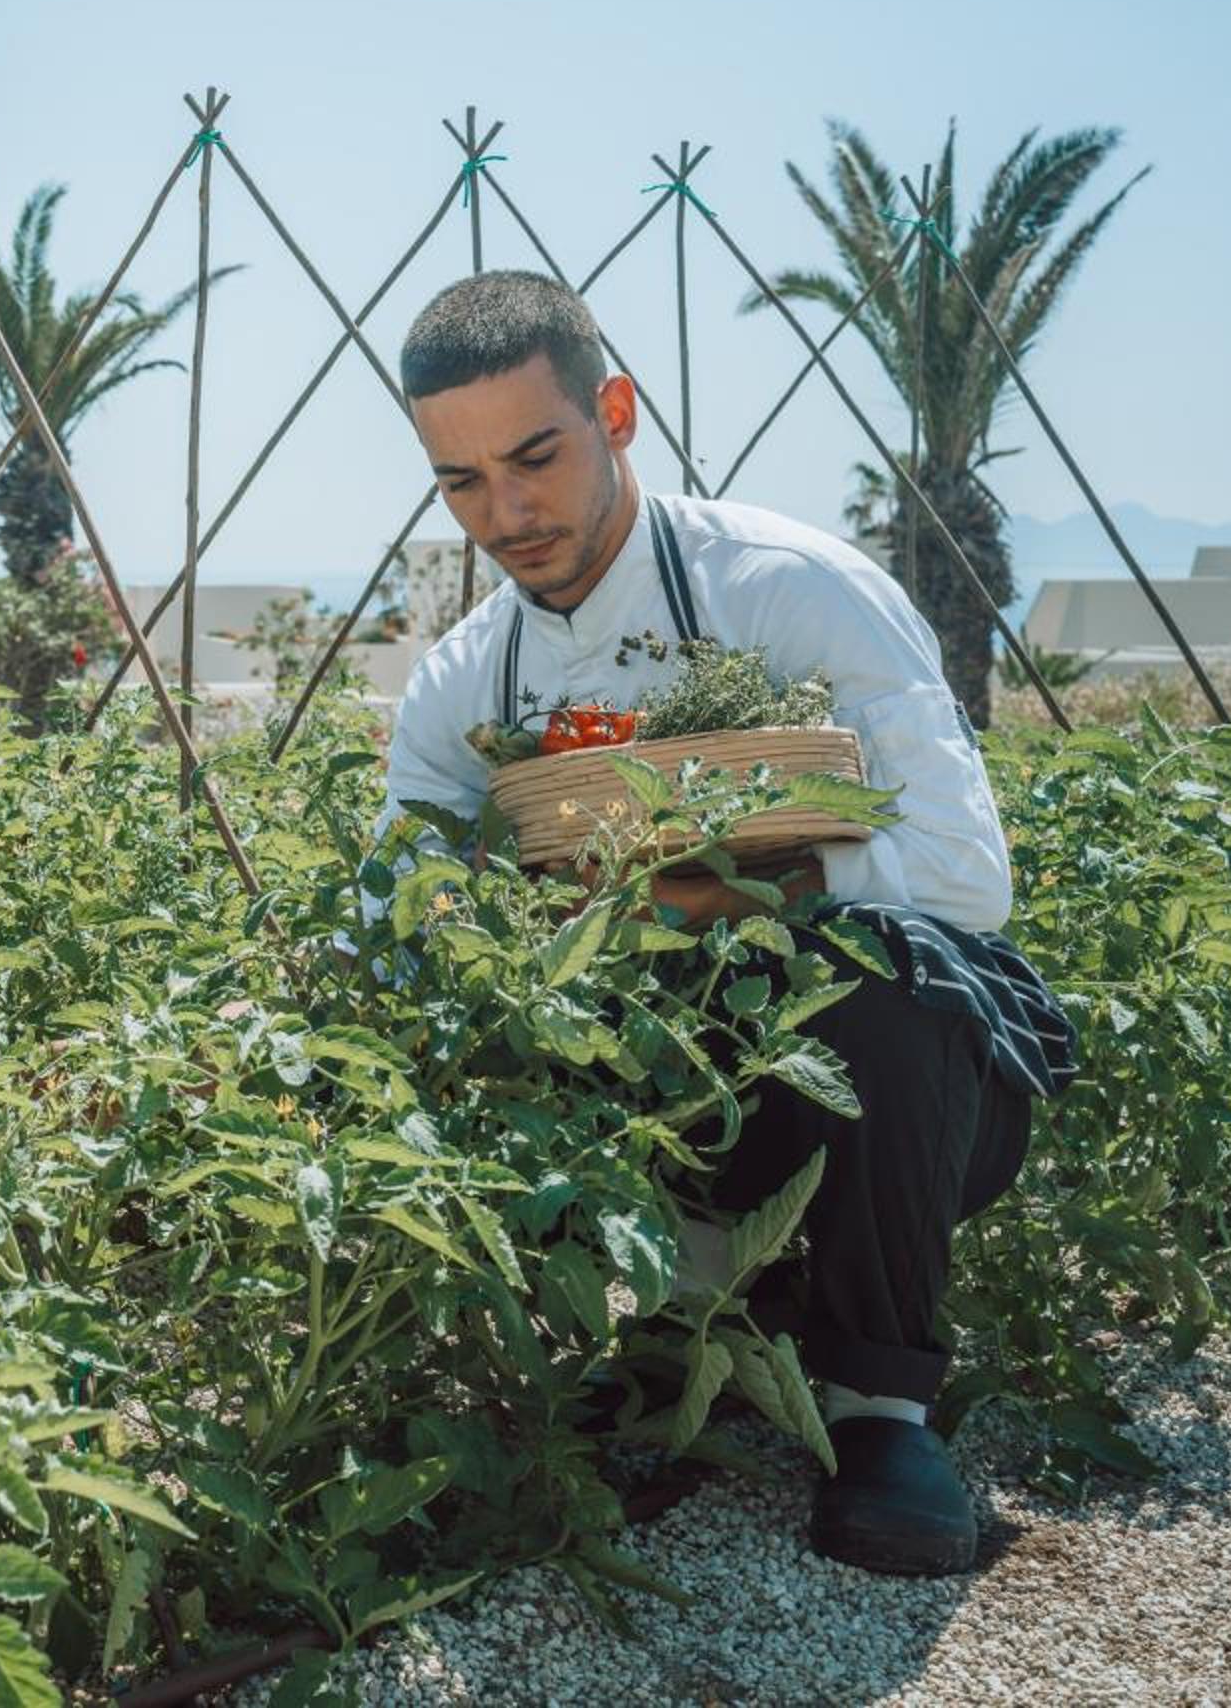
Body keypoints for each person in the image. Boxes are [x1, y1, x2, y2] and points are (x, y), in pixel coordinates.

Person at [377, 269, 1076, 1577]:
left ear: (617, 413)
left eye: (535, 458)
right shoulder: (465, 681)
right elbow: (397, 909)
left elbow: (964, 871)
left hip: (899, 1098)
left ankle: (879, 1405)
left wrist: (711, 889)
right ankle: (673, 1314)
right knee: (465, 1005)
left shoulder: (789, 591)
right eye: (461, 482)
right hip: (666, 1089)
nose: (506, 514)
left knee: (884, 966)